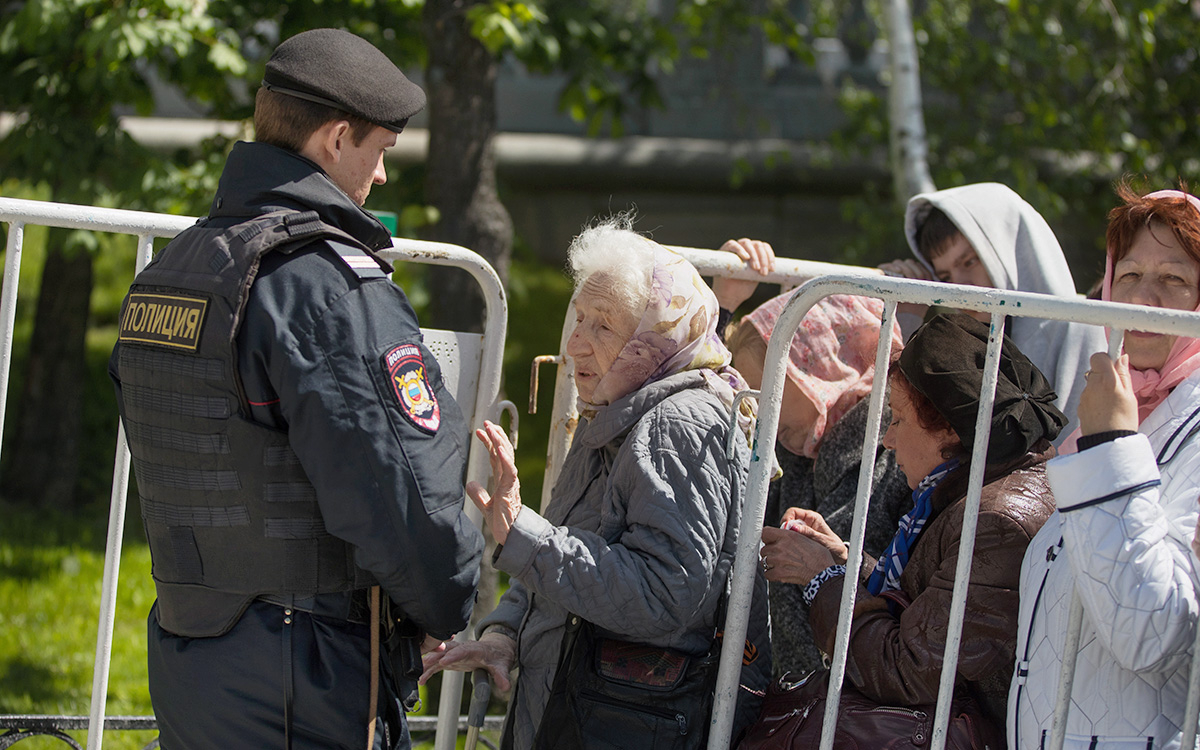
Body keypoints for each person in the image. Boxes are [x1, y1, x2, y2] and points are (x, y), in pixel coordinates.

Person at [109, 28, 483, 749]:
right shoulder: (327, 286)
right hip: (304, 674)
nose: (379, 179)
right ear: (337, 139)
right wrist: (448, 601)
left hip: (192, 659)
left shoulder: (173, 271)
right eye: (380, 153)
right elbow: (400, 488)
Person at [420, 218, 772, 749]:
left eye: (602, 326)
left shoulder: (676, 423)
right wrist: (504, 634)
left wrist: (525, 535)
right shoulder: (617, 408)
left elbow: (663, 592)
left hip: (625, 721)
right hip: (581, 711)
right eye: (578, 318)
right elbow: (567, 548)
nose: (575, 345)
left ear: (656, 335)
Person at [757, 312, 1065, 736]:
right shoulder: (971, 488)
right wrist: (842, 560)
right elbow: (926, 604)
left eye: (898, 419)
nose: (887, 439)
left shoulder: (995, 522)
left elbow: (910, 669)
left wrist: (821, 579)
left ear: (949, 430)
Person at [1008, 185, 1200, 749]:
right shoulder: (1108, 406)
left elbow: (1148, 631)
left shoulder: (1124, 421)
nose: (1144, 299)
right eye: (1131, 275)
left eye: (1174, 280)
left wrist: (1113, 442)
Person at [724, 290, 910, 676]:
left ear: (818, 366)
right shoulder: (795, 447)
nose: (759, 409)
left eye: (770, 387)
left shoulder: (890, 444)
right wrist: (723, 300)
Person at [879, 183, 1107, 441]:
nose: (959, 286)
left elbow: (1072, 446)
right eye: (944, 276)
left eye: (969, 261)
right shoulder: (963, 344)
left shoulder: (1075, 329)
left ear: (1007, 250)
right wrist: (907, 318)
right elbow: (902, 437)